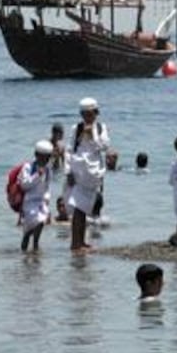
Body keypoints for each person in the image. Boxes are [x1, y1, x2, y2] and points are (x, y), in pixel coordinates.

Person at [66, 97, 109, 252]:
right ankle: (75, 243)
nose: (87, 117)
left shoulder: (100, 128)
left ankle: (81, 241)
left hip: (93, 173)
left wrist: (92, 135)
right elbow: (69, 150)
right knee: (78, 208)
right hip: (79, 172)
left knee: (85, 208)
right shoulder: (76, 128)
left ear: (96, 113)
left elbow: (103, 146)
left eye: (90, 114)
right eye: (84, 114)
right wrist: (68, 171)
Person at [19, 140, 54, 252]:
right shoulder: (28, 167)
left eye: (47, 157)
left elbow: (47, 186)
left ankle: (35, 245)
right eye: (43, 157)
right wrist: (37, 175)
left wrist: (47, 199)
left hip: (42, 201)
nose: (45, 160)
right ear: (37, 155)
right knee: (34, 223)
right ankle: (26, 239)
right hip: (29, 201)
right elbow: (24, 185)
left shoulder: (48, 169)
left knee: (41, 222)